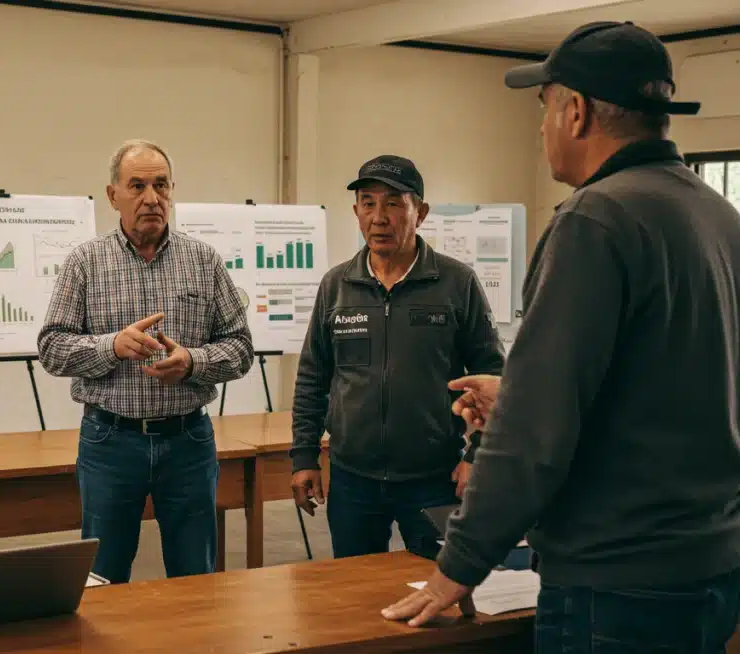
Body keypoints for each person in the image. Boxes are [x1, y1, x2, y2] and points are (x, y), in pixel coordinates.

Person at [381, 21, 740, 653]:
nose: (540, 127)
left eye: (543, 108)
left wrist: (459, 564)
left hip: (616, 581)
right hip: (709, 564)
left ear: (575, 112)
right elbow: (677, 381)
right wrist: (516, 390)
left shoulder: (594, 221)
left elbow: (536, 432)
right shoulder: (717, 216)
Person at [37, 139, 254, 583]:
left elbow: (240, 348)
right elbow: (53, 348)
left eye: (160, 185)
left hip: (188, 441)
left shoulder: (204, 261)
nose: (151, 198)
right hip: (110, 442)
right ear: (113, 194)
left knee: (196, 577)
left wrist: (193, 362)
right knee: (102, 577)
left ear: (172, 191)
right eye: (137, 185)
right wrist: (112, 347)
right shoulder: (85, 263)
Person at [289, 154, 504, 560]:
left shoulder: (456, 283)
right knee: (352, 597)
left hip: (434, 477)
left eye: (392, 203)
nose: (379, 216)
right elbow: (313, 377)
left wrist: (478, 457)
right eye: (368, 203)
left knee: (440, 589)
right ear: (356, 213)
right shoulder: (337, 286)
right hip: (353, 481)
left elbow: (492, 376)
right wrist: (304, 456)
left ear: (419, 212)